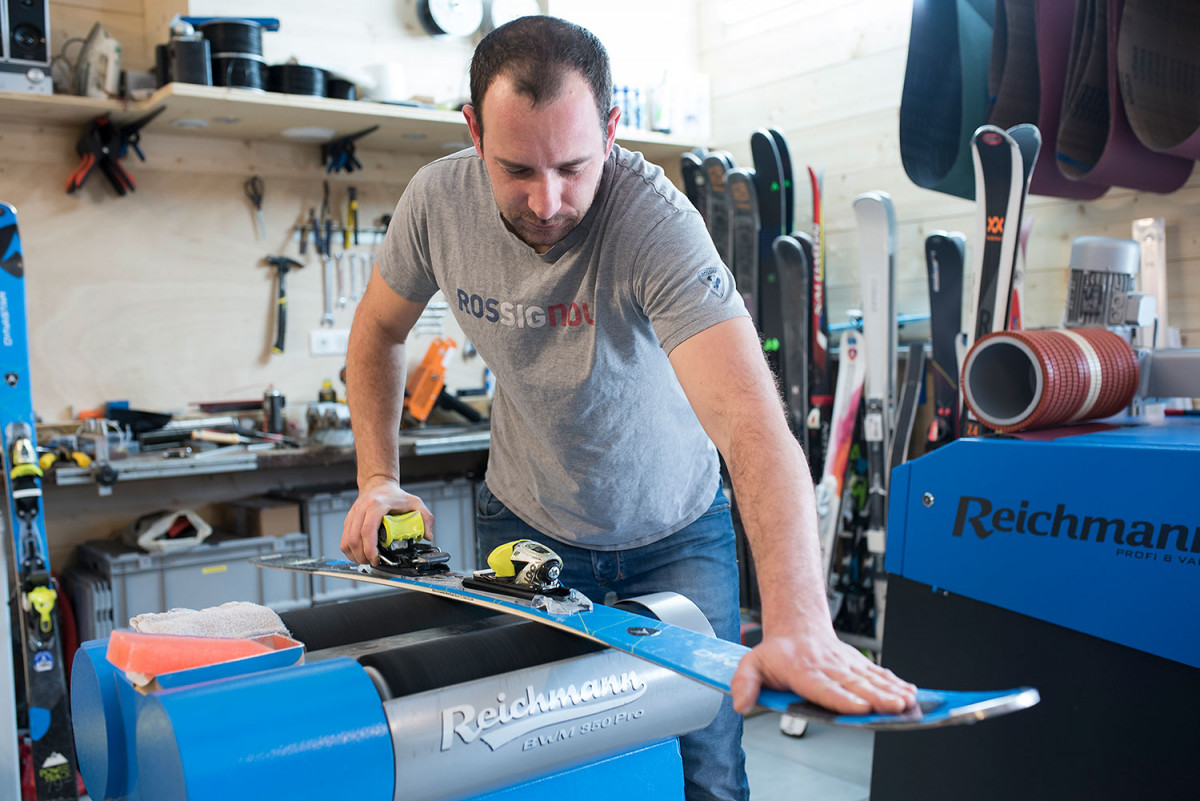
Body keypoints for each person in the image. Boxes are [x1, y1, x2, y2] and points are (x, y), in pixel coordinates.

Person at [341, 15, 915, 801]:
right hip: (528, 523)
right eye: (516, 169)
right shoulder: (436, 204)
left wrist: (799, 622)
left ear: (612, 128)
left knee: (708, 765)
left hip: (676, 526)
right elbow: (376, 332)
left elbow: (750, 419)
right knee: (536, 757)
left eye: (574, 166)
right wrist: (378, 477)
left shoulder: (656, 223)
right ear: (472, 130)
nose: (548, 201)